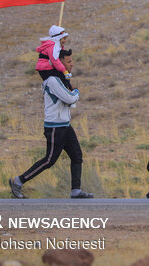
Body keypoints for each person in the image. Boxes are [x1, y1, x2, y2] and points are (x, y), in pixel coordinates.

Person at [9, 49, 93, 199]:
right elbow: (70, 98)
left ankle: (76, 190)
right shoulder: (54, 81)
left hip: (65, 125)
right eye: (69, 61)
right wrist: (77, 92)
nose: (72, 64)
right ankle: (19, 181)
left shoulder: (60, 79)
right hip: (55, 127)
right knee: (49, 160)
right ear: (59, 63)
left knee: (77, 156)